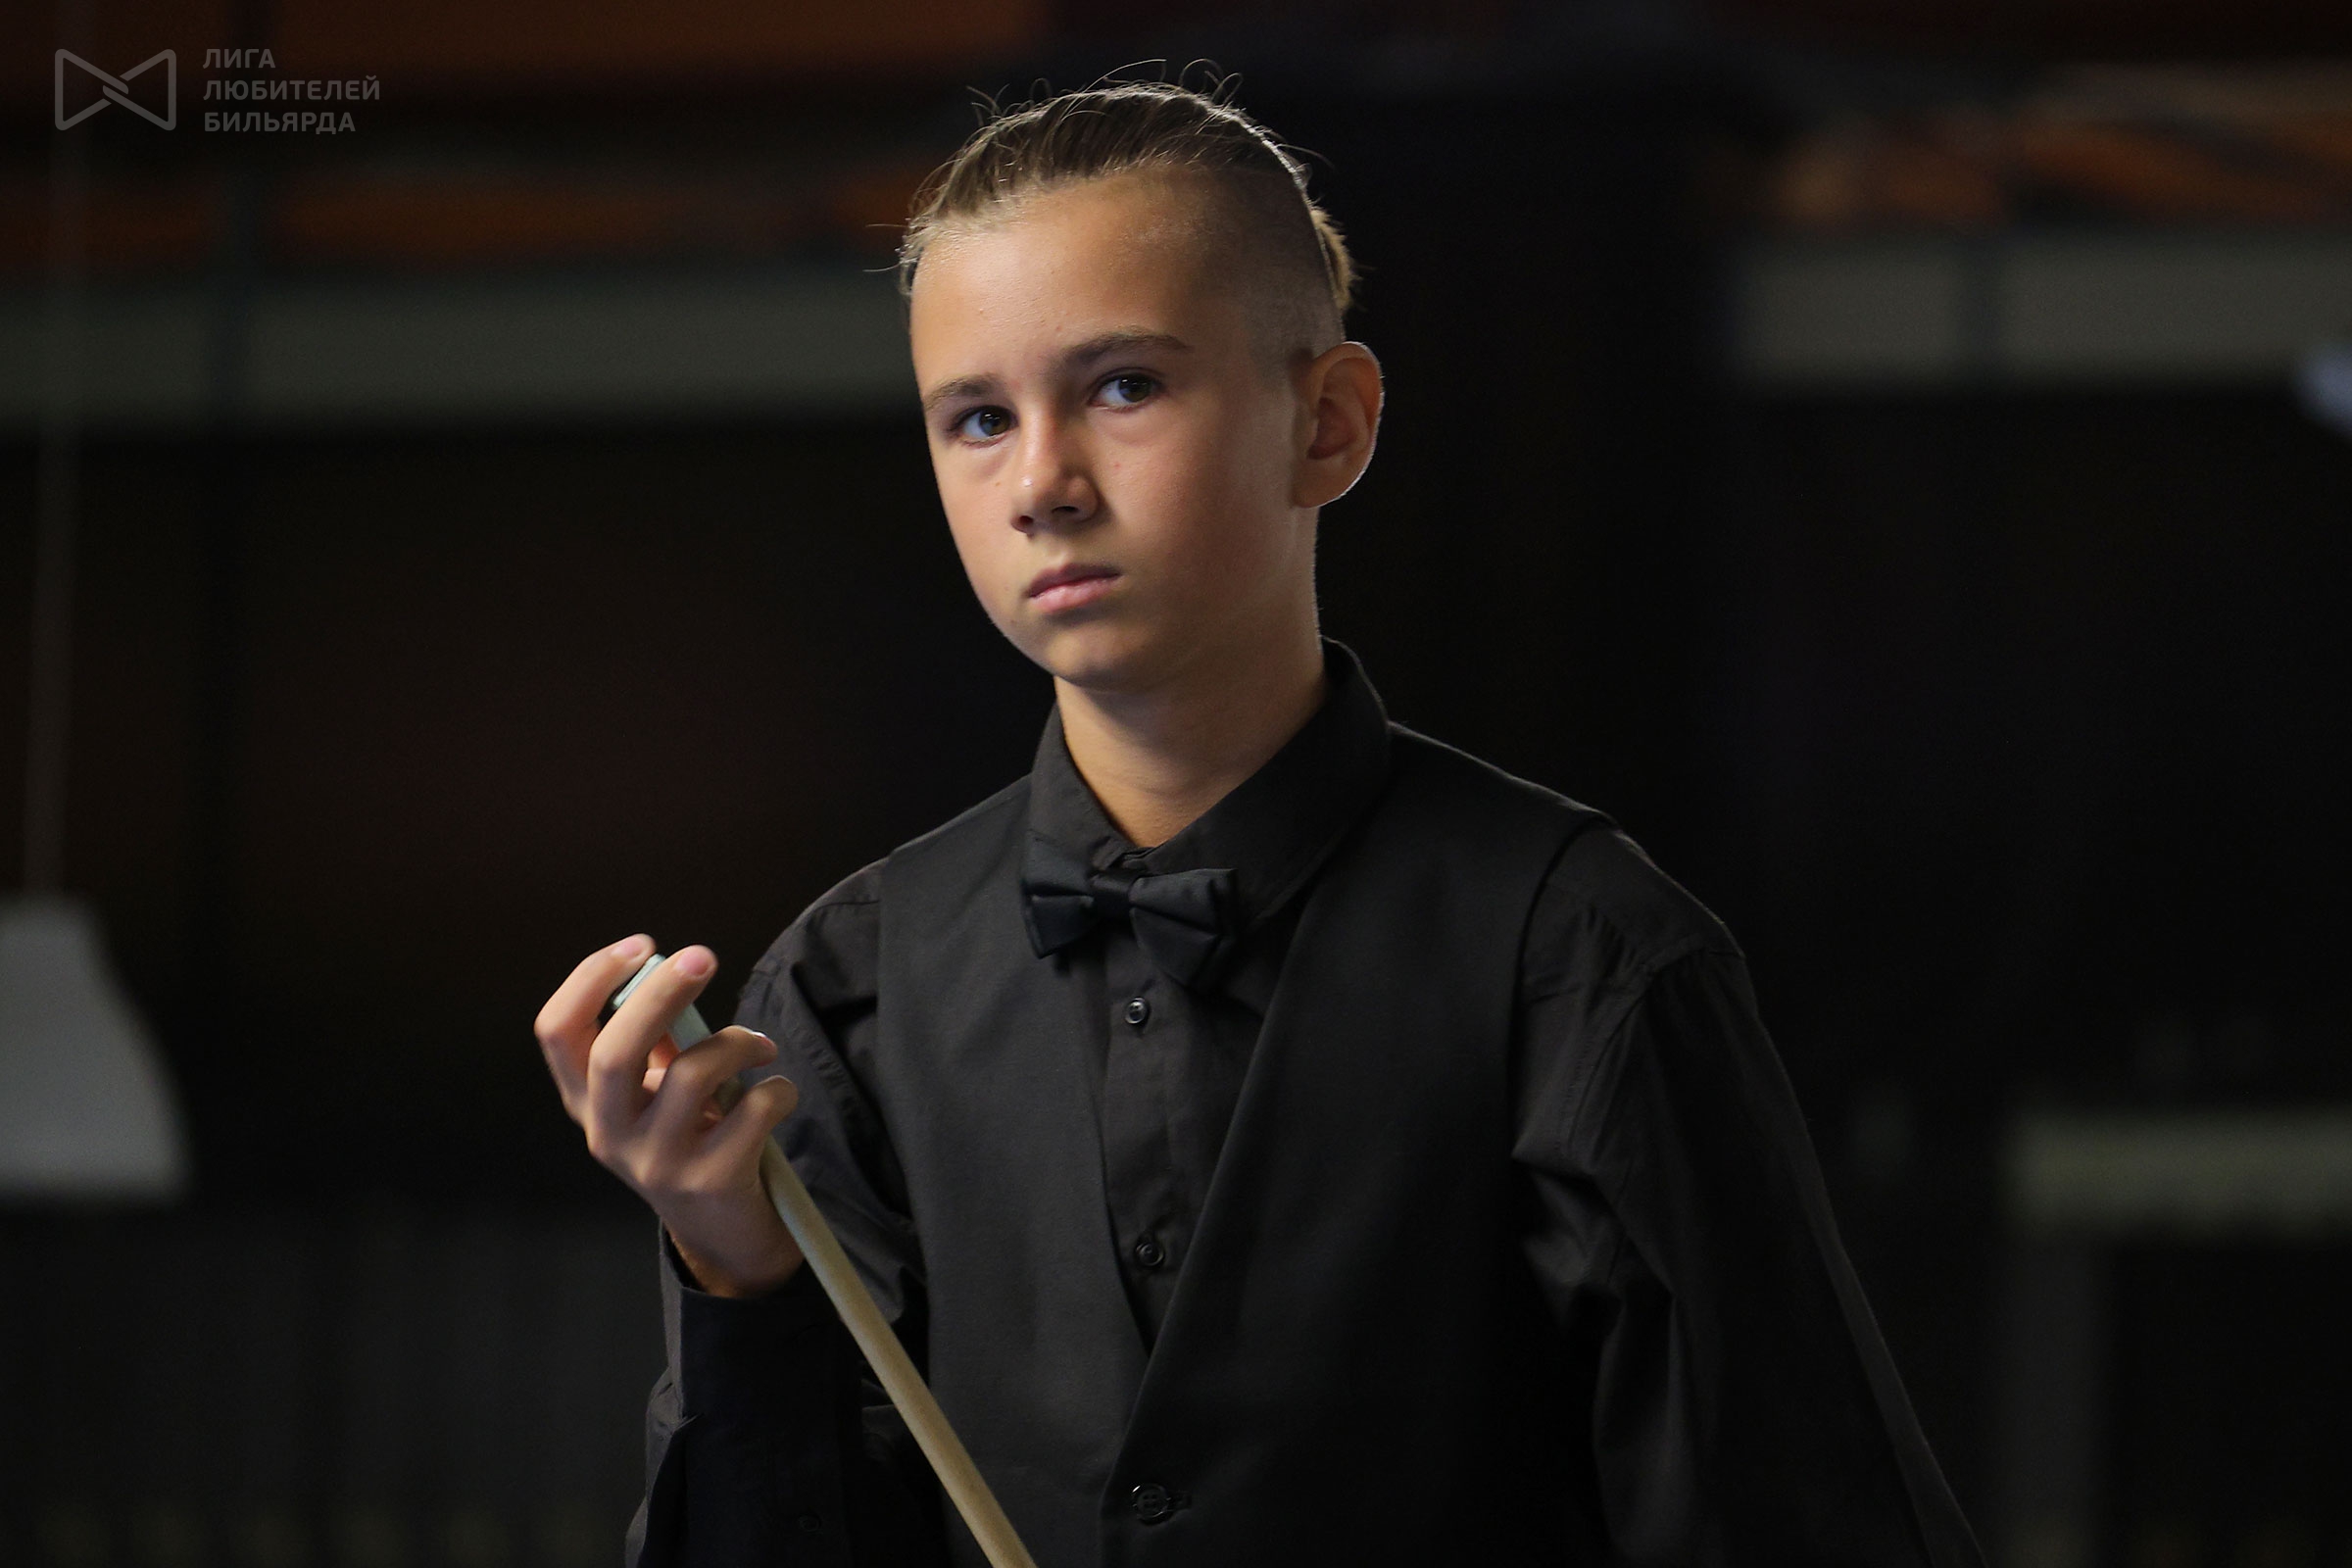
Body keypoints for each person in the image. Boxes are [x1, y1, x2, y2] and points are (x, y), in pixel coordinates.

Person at [534, 79, 1984, 1568]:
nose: (1041, 484)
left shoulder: (1587, 961)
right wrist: (738, 1273)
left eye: (1123, 388)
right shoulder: (846, 994)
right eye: (978, 419)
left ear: (1330, 424)